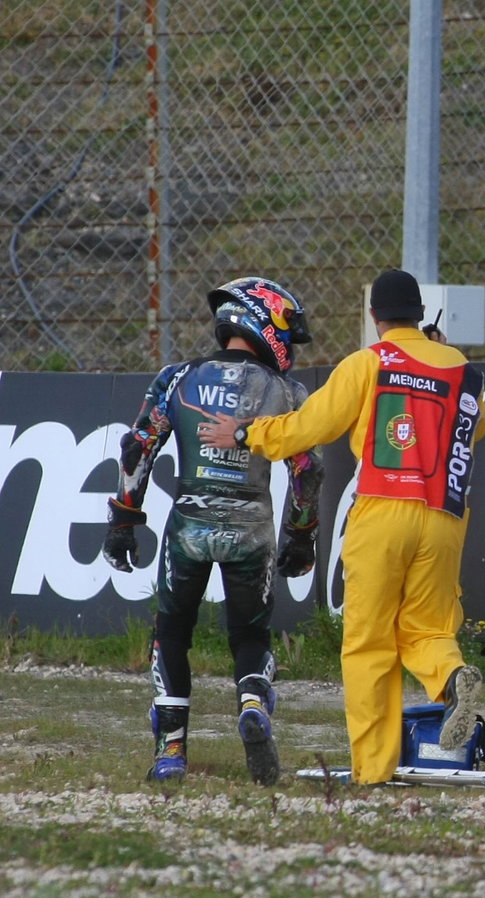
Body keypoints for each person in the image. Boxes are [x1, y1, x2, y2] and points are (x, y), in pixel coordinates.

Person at [197, 268, 485, 785]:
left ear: (374, 317)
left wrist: (245, 433)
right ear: (421, 316)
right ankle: (450, 677)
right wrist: (442, 355)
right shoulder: (461, 368)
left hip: (382, 510)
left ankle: (372, 771)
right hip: (444, 518)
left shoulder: (369, 363)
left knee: (369, 642)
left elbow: (311, 427)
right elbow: (478, 425)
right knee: (427, 628)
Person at [102, 276, 323, 785]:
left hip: (188, 528)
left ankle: (171, 752)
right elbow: (307, 470)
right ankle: (251, 700)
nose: (288, 344)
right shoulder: (288, 391)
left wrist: (123, 521)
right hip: (252, 528)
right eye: (288, 332)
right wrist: (302, 534)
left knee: (172, 633)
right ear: (262, 321)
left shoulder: (179, 377)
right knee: (249, 635)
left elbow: (138, 449)